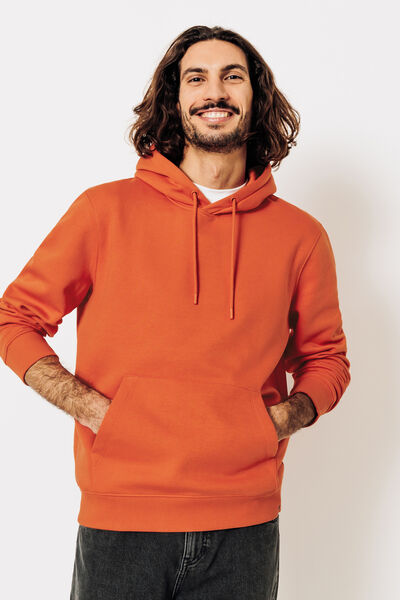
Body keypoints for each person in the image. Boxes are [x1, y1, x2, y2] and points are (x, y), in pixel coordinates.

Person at [0, 25, 351, 600]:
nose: (215, 92)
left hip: (245, 525)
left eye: (232, 77)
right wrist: (95, 409)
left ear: (256, 97)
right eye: (196, 78)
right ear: (175, 98)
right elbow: (14, 318)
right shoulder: (103, 211)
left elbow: (328, 359)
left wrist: (274, 422)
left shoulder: (301, 236)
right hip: (121, 519)